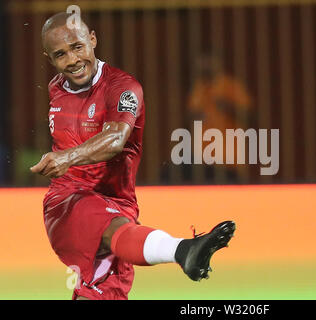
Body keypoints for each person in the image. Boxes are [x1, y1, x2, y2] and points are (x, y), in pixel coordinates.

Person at [30, 12, 235, 300]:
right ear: (49, 58)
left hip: (120, 205)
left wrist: (67, 157)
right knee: (112, 229)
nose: (72, 60)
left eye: (77, 47)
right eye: (60, 54)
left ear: (93, 39)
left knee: (106, 292)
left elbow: (115, 140)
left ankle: (181, 251)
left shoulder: (122, 87)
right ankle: (183, 250)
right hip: (68, 200)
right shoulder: (56, 88)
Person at [187, 53, 253, 183]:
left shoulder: (231, 86)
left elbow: (249, 116)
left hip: (229, 159)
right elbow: (191, 115)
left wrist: (228, 106)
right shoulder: (200, 88)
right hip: (203, 159)